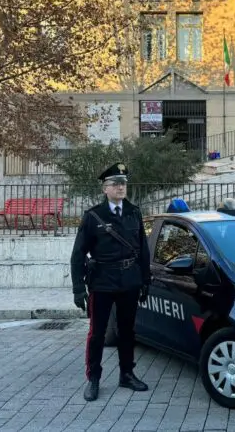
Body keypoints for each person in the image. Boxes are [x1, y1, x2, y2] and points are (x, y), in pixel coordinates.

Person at [70, 162, 151, 401]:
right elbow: (77, 255)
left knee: (127, 331)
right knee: (97, 333)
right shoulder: (94, 216)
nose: (121, 187)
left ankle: (127, 374)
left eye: (124, 183)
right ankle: (93, 378)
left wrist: (145, 280)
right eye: (116, 184)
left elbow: (143, 250)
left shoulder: (133, 212)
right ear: (105, 188)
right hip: (102, 281)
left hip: (129, 281)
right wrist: (78, 289)